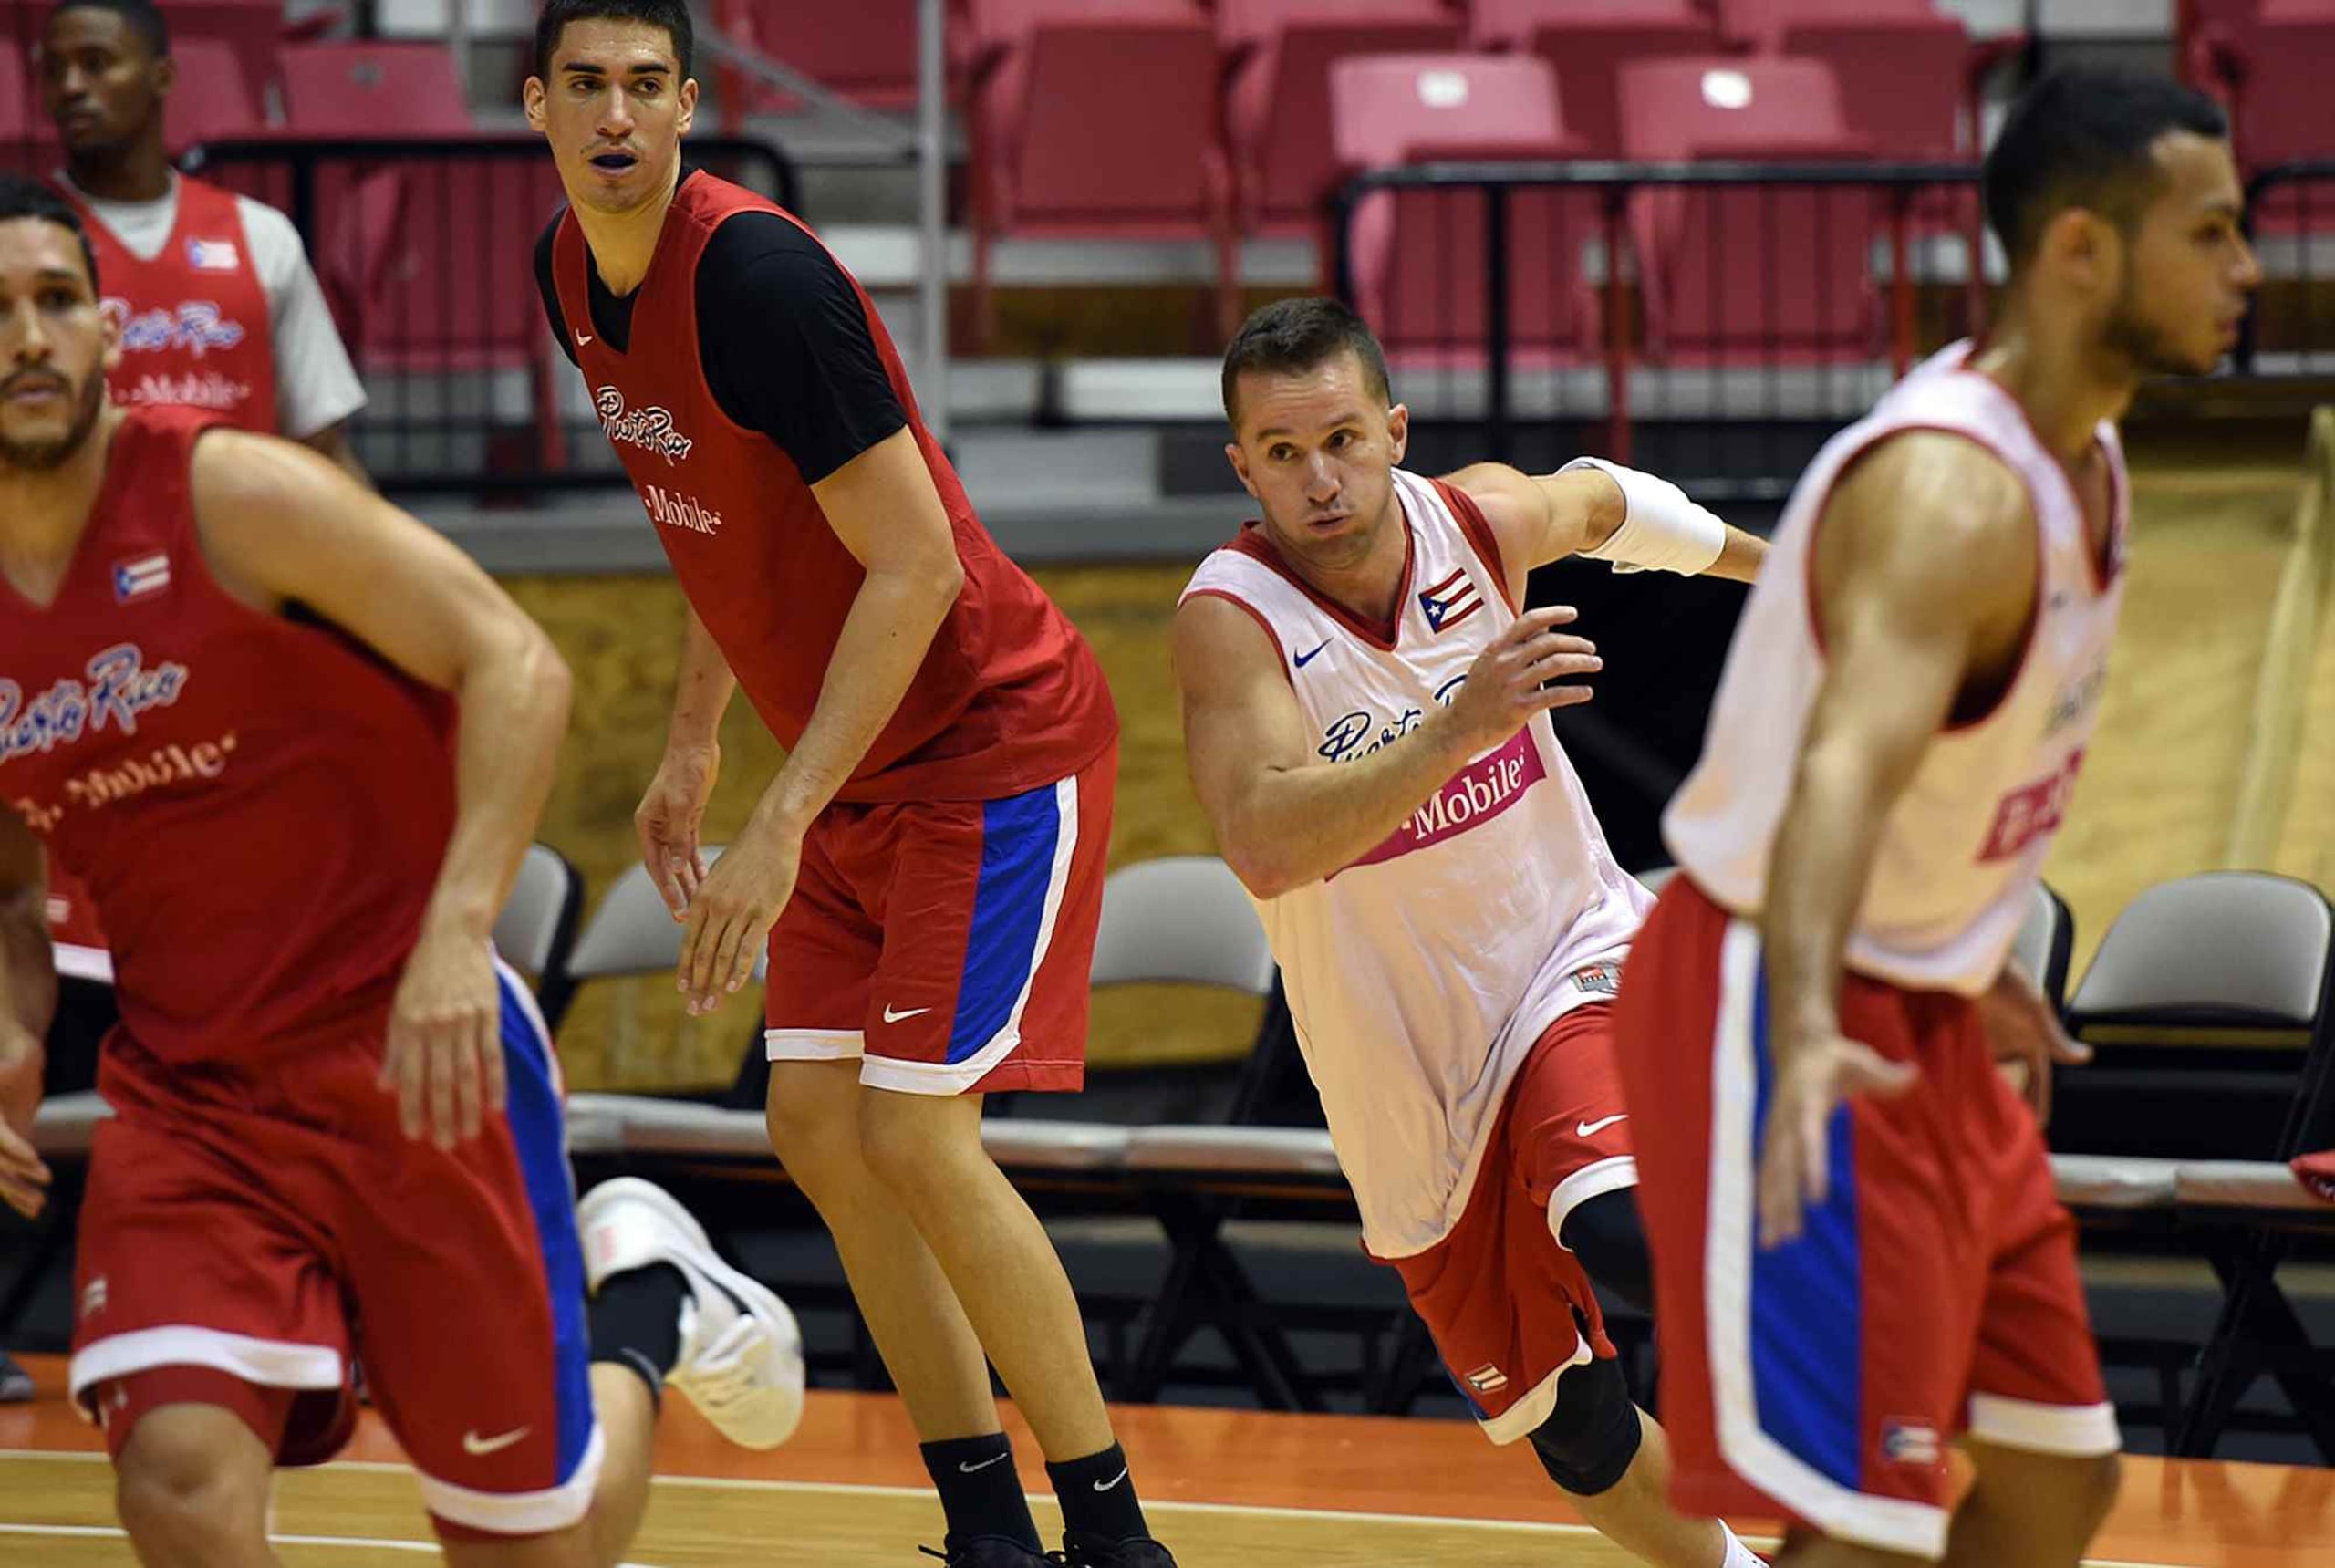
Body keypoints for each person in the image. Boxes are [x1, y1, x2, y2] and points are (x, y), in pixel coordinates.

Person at [0, 175, 803, 1567]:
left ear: (110, 333)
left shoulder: (227, 490)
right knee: (176, 1474)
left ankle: (652, 1299)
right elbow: (14, 891)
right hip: (195, 1094)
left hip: (414, 1052)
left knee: (530, 1550)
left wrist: (456, 932)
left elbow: (516, 661)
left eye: (58, 300)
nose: (28, 337)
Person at [524, 5, 1168, 1565]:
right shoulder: (566, 272)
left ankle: (1113, 1533)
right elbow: (720, 525)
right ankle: (981, 1527)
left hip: (981, 744)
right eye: (587, 85)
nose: (617, 114)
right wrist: (693, 743)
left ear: (691, 104)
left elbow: (918, 562)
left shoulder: (755, 279)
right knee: (819, 1120)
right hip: (844, 762)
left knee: (919, 1131)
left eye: (647, 86)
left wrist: (776, 815)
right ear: (536, 102)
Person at [1610, 68, 2259, 1564]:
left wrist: (1975, 936)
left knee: (2054, 1478)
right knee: (1870, 1523)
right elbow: (1841, 766)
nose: (2246, 272)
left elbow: (1953, 767)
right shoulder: (1953, 493)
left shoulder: (2085, 458)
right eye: (2212, 231)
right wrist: (1802, 1023)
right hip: (1787, 987)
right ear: (2083, 249)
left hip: (1931, 1003)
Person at [1173, 296, 1769, 1568]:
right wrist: (1458, 725)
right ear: (1243, 465)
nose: (1320, 479)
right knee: (1575, 1428)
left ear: (1395, 428)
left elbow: (1606, 503)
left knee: (1617, 1210)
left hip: (1569, 958)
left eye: (1341, 437)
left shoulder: (1473, 520)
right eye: (1283, 452)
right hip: (1407, 1067)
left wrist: (1786, 571)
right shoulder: (1231, 620)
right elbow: (1268, 841)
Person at [29, 0, 374, 989]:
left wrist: (381, 617)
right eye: (56, 69)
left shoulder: (259, 241)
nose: (72, 88)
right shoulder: (29, 257)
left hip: (236, 644)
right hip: (79, 646)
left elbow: (327, 462)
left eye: (99, 63)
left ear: (164, 77)